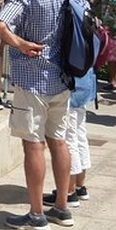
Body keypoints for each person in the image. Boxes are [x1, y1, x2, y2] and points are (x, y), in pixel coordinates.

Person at [0, 0, 79, 230]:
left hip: (32, 80)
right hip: (62, 78)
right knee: (59, 141)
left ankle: (36, 214)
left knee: (33, 144)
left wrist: (20, 43)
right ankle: (63, 208)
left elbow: (0, 26)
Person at [43, 67, 96, 209]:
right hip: (86, 82)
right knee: (79, 136)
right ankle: (79, 185)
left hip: (72, 86)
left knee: (68, 140)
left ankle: (69, 191)